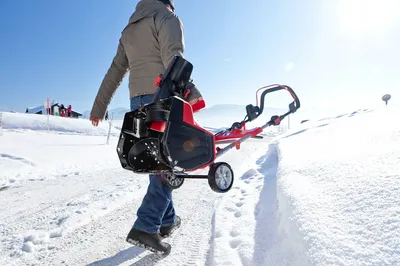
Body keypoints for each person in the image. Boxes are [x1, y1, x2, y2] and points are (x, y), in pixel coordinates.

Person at [89, 0, 202, 254]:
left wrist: (98, 108)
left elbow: (115, 71)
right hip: (162, 97)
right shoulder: (166, 18)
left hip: (137, 101)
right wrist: (191, 90)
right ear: (167, 3)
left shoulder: (129, 29)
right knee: (166, 161)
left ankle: (167, 220)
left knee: (158, 161)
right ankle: (146, 226)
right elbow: (173, 57)